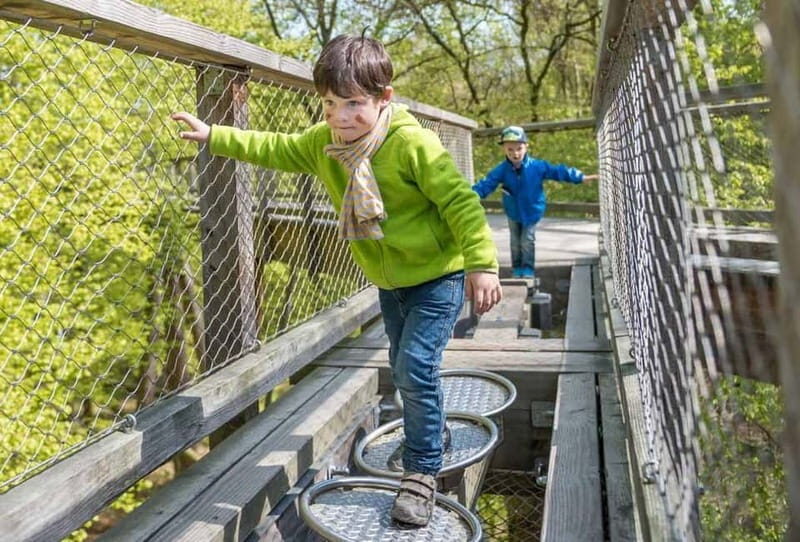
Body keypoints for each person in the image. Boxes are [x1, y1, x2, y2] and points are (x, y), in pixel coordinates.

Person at [171, 35, 502, 528]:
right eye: (330, 104)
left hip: (439, 277)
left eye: (353, 104)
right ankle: (434, 433)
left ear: (384, 98)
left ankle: (421, 472)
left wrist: (482, 263)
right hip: (389, 283)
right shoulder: (324, 145)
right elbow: (274, 147)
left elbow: (460, 202)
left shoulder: (412, 144)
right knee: (406, 365)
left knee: (413, 367)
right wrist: (213, 134)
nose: (341, 117)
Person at [472, 125, 598, 278]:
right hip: (513, 211)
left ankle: (527, 269)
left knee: (527, 240)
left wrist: (579, 177)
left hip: (532, 210)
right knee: (515, 242)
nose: (515, 153)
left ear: (526, 147)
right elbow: (487, 183)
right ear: (504, 149)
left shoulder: (537, 166)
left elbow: (557, 171)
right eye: (510, 149)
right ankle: (516, 268)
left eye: (519, 148)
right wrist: (472, 195)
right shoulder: (502, 169)